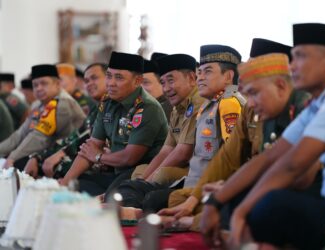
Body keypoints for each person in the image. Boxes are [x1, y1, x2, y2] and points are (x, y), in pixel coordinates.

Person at [158, 39, 311, 233]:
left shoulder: (305, 108)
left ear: (281, 83)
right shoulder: (254, 107)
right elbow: (227, 157)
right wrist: (192, 201)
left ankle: (194, 222)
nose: (251, 101)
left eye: (255, 91)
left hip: (291, 193)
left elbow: (292, 172)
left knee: (258, 204)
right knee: (188, 198)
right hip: (257, 183)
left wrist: (228, 192)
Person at [223, 23, 325, 250]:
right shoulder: (320, 101)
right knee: (245, 198)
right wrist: (218, 201)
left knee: (269, 205)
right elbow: (272, 156)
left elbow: (293, 166)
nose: (292, 66)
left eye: (299, 56)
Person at [116, 45, 246, 215]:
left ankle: (134, 214)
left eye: (207, 72)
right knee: (137, 188)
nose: (200, 78)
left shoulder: (229, 104)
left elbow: (230, 158)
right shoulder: (210, 105)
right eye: (199, 72)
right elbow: (168, 151)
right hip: (197, 184)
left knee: (152, 199)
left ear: (228, 76)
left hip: (210, 187)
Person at [58, 52, 168, 196]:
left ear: (137, 81)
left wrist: (99, 157)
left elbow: (129, 158)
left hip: (140, 172)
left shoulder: (147, 107)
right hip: (115, 171)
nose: (110, 83)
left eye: (119, 77)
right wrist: (65, 184)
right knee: (75, 184)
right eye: (109, 76)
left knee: (111, 196)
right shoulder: (107, 102)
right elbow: (91, 148)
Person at [104, 53, 204, 207]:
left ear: (191, 78)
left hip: (198, 172)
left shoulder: (198, 103)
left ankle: (127, 206)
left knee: (161, 175)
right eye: (163, 82)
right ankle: (125, 201)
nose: (166, 89)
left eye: (171, 81)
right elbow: (166, 150)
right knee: (139, 172)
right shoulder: (178, 107)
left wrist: (146, 183)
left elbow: (182, 153)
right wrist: (143, 181)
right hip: (183, 168)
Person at [24, 63, 108, 178]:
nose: (58, 84)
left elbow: (85, 140)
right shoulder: (96, 107)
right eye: (87, 81)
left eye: (60, 80)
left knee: (58, 168)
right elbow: (74, 137)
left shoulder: (85, 103)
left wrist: (61, 154)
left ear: (74, 80)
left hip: (99, 165)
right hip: (78, 154)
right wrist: (37, 156)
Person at [0, 64, 86, 169]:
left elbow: (40, 137)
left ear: (57, 84)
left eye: (44, 83)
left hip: (69, 158)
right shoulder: (38, 104)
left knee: (16, 164)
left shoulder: (62, 103)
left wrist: (12, 158)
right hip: (46, 156)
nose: (39, 88)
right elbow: (20, 134)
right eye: (35, 85)